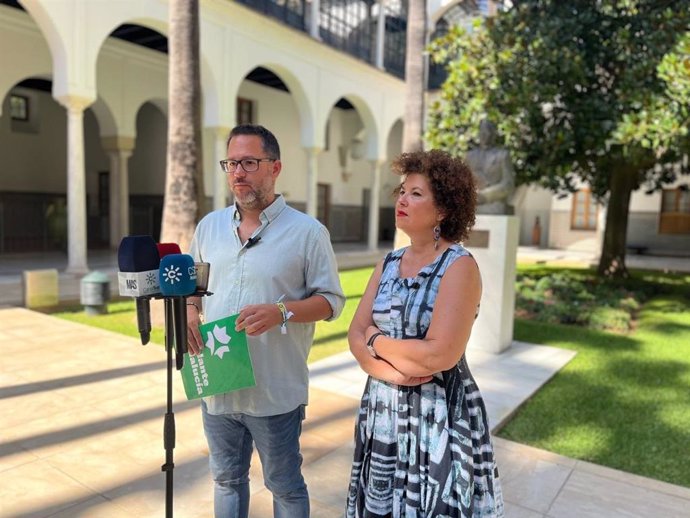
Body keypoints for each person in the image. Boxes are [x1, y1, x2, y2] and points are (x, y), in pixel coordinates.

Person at [186, 124, 345, 518]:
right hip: (219, 384)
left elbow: (331, 301)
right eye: (231, 163)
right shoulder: (208, 227)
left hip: (274, 391)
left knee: (285, 487)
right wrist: (190, 308)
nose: (238, 172)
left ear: (275, 168)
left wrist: (282, 311)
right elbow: (193, 283)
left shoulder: (308, 233)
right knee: (226, 480)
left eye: (249, 162)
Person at [345, 149, 504, 517]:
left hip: (438, 415)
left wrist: (376, 341)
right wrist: (390, 371)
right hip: (382, 409)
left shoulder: (458, 266)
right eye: (402, 190)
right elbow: (354, 334)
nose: (402, 198)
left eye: (416, 193)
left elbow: (439, 355)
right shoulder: (387, 262)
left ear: (444, 209)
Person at [465, 119, 516, 215]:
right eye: (481, 131)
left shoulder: (502, 155)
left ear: (493, 134)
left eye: (487, 130)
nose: (483, 134)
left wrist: (485, 196)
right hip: (472, 204)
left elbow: (508, 184)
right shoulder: (470, 156)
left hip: (494, 203)